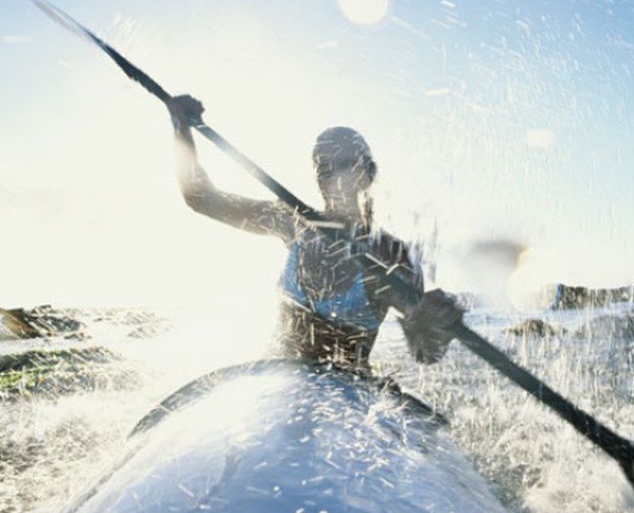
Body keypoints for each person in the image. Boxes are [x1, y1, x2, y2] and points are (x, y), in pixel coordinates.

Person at [167, 95, 461, 369]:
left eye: (344, 164)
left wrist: (435, 325)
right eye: (323, 166)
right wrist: (181, 126)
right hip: (275, 380)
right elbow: (200, 198)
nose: (332, 175)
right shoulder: (293, 223)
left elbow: (426, 354)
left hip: (346, 398)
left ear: (368, 174)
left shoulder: (392, 255)